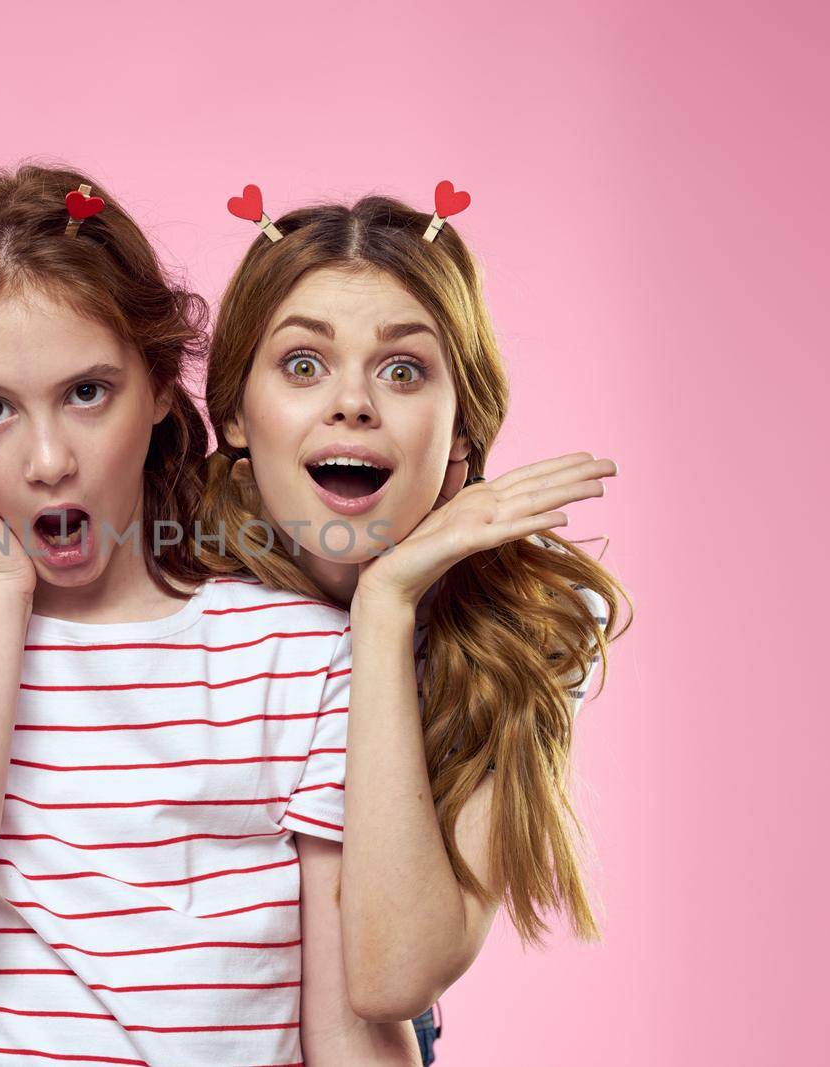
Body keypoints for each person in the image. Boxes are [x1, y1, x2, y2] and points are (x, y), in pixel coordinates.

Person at [0, 165, 418, 1066]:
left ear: (161, 387)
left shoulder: (296, 648)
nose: (49, 460)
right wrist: (2, 596)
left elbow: (346, 1026)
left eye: (87, 393)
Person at [199, 193, 633, 1063]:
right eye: (302, 364)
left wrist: (386, 608)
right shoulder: (165, 574)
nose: (354, 402)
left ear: (463, 425)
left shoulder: (528, 628)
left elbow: (395, 977)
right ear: (237, 413)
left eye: (403, 370)